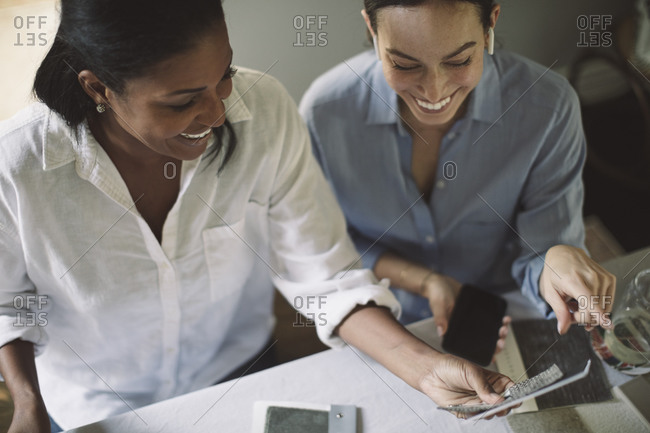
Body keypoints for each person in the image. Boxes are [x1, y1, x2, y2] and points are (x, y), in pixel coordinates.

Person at [0, 1, 517, 431]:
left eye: (223, 75)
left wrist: (426, 370)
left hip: (243, 381)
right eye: (182, 102)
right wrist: (27, 404)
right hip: (99, 410)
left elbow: (325, 278)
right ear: (98, 89)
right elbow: (10, 306)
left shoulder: (264, 108)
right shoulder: (15, 166)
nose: (218, 113)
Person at [299, 0, 616, 333]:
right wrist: (426, 282)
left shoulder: (547, 106)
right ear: (372, 30)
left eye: (459, 60)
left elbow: (543, 247)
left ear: (490, 23)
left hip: (508, 306)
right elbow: (329, 246)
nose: (434, 91)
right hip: (382, 312)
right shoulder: (325, 114)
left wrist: (556, 260)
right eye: (404, 64)